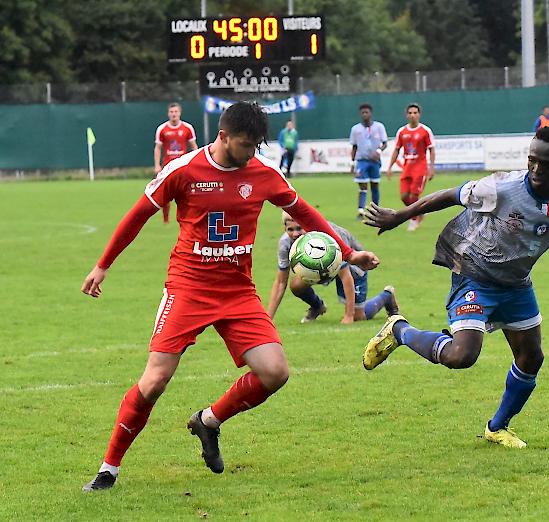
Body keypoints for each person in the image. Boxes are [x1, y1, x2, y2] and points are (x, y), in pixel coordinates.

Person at [80, 102, 379, 492]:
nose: (249, 153)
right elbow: (137, 215)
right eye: (244, 144)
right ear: (222, 136)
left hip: (238, 291)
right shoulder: (184, 170)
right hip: (188, 288)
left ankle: (208, 421)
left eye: (256, 145)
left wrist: (349, 252)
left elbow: (306, 213)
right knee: (154, 381)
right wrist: (103, 265)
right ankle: (109, 469)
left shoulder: (264, 173)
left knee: (275, 372)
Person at [362, 127, 549, 449]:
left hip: (516, 283)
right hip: (475, 273)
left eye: (547, 164)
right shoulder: (502, 187)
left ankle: (497, 427)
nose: (537, 169)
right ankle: (399, 330)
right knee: (461, 355)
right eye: (532, 160)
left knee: (531, 357)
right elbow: (449, 195)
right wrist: (401, 216)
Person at [267, 212, 399, 324]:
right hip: (323, 268)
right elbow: (280, 282)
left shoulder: (327, 238)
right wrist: (268, 320)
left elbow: (345, 275)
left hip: (353, 265)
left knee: (359, 317)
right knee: (296, 285)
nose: (295, 234)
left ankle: (387, 296)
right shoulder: (285, 243)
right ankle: (317, 307)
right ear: (284, 228)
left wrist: (349, 315)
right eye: (290, 229)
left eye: (299, 228)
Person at [387, 103, 436, 231]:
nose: (412, 115)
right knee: (404, 197)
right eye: (410, 113)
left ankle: (413, 220)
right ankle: (420, 212)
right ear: (406, 115)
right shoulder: (402, 131)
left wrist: (431, 168)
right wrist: (390, 167)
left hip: (420, 167)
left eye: (415, 113)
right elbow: (397, 150)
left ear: (419, 114)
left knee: (414, 196)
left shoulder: (425, 131)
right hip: (407, 167)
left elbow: (431, 150)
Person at [154, 102, 198, 224]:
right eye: (171, 112)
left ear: (180, 113)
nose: (174, 114)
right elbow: (158, 147)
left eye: (176, 112)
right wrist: (157, 165)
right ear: (168, 113)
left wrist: (197, 163)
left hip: (183, 166)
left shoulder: (187, 128)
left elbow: (194, 146)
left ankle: (187, 218)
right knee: (165, 193)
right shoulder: (162, 129)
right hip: (167, 166)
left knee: (186, 192)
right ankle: (166, 220)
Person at [350, 104, 388, 219]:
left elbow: (385, 143)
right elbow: (354, 147)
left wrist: (378, 151)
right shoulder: (355, 129)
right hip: (362, 161)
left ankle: (376, 211)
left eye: (366, 112)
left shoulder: (379, 127)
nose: (365, 114)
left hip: (375, 161)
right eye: (363, 113)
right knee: (362, 186)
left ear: (371, 113)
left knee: (375, 185)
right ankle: (361, 210)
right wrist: (352, 163)